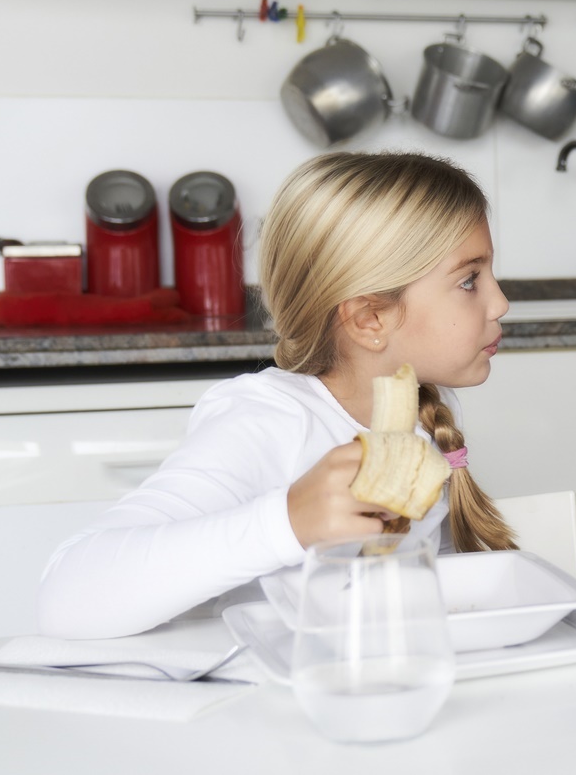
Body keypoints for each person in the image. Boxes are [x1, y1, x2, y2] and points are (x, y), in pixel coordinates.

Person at [38, 152, 516, 638]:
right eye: (469, 280)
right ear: (369, 318)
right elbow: (67, 598)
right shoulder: (268, 420)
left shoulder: (428, 411)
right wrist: (285, 521)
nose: (500, 302)